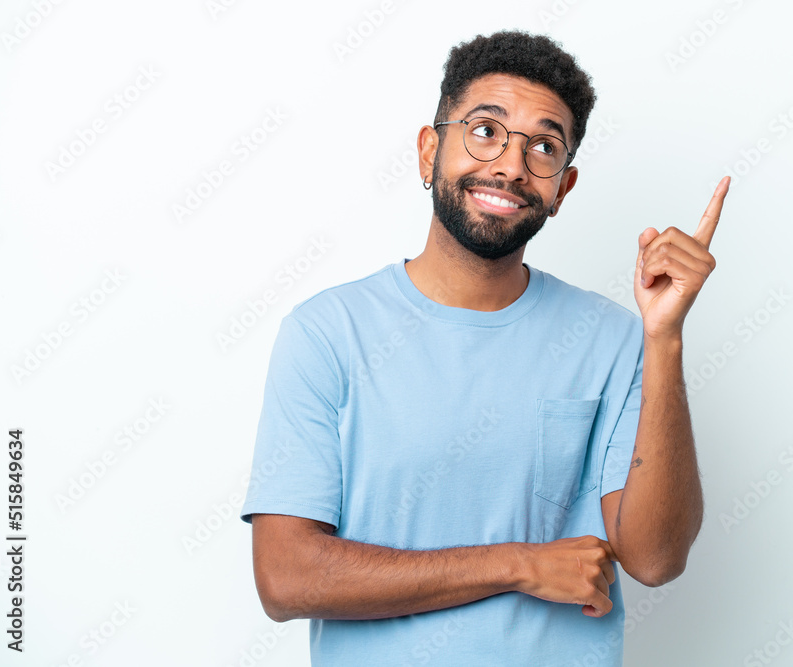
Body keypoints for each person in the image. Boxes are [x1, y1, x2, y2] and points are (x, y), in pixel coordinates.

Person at [240, 29, 729, 666]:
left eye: (543, 147)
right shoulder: (326, 333)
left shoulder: (614, 341)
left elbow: (656, 559)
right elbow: (286, 578)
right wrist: (517, 565)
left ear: (563, 188)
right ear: (428, 151)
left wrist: (664, 338)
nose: (509, 166)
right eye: (486, 131)